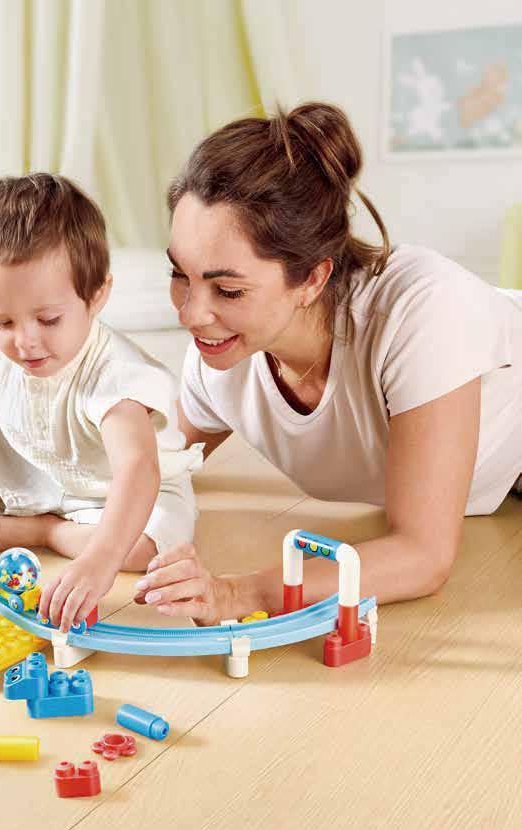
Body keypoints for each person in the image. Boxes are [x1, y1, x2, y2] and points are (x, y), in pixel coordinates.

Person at [134, 102, 522, 625]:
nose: (189, 314)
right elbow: (142, 468)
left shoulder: (423, 313)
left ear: (313, 279)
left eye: (228, 290)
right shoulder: (222, 359)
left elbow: (422, 556)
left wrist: (239, 593)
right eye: (180, 274)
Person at [0, 173, 201, 632]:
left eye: (48, 319)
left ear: (97, 296)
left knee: (144, 548)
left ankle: (45, 530)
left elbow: (137, 469)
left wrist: (99, 560)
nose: (24, 341)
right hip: (45, 468)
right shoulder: (12, 345)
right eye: (2, 321)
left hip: (114, 496)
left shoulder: (118, 377)